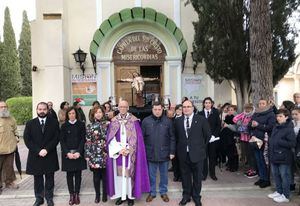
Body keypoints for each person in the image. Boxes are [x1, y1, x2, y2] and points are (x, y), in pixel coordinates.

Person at [106, 100, 150, 206]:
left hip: (130, 153)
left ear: (128, 108)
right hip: (118, 153)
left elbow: (138, 139)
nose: (122, 108)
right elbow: (110, 138)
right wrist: (119, 150)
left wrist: (129, 149)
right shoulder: (114, 121)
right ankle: (122, 196)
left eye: (125, 107)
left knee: (129, 175)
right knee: (120, 176)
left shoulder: (134, 121)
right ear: (118, 108)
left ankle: (130, 196)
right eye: (121, 107)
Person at [174, 100, 211, 206]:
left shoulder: (201, 119)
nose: (186, 108)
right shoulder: (178, 121)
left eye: (188, 106)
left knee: (197, 177)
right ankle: (186, 196)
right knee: (185, 176)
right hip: (183, 154)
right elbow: (176, 137)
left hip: (198, 154)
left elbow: (207, 135)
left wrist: (200, 147)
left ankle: (196, 197)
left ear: (193, 108)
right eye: (184, 107)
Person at [23, 102, 60, 206]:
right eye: (40, 109)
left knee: (49, 178)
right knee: (38, 178)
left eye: (44, 109)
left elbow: (56, 138)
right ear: (36, 110)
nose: (42, 111)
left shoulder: (54, 122)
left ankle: (49, 198)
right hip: (36, 155)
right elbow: (27, 140)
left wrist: (46, 149)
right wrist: (38, 150)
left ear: (47, 110)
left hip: (50, 154)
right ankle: (39, 198)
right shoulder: (30, 123)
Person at [142, 102, 176, 203]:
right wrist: (143, 152)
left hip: (164, 153)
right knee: (151, 175)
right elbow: (142, 138)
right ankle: (152, 192)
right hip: (150, 152)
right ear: (152, 110)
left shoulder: (168, 121)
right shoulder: (146, 121)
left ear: (162, 110)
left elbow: (172, 137)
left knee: (164, 174)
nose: (157, 111)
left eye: (159, 109)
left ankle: (163, 192)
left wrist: (172, 151)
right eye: (155, 109)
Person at [267, 109, 296, 203]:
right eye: (277, 116)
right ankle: (279, 191)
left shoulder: (289, 128)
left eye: (280, 116)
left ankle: (286, 195)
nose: (278, 118)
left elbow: (292, 143)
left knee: (285, 176)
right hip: (274, 155)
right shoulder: (276, 126)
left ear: (286, 117)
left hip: (284, 156)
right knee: (276, 175)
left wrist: (278, 141)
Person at [60, 107, 87, 205]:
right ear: (67, 115)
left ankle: (77, 194)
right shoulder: (64, 126)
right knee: (69, 175)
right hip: (68, 155)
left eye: (73, 113)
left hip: (78, 154)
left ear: (76, 114)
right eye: (70, 113)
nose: (72, 115)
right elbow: (62, 141)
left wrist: (79, 152)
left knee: (78, 175)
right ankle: (71, 194)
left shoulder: (81, 125)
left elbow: (83, 139)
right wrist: (67, 153)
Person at [249, 99, 276, 188]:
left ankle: (266, 180)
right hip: (255, 139)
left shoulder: (271, 114)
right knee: (258, 160)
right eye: (260, 103)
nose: (261, 105)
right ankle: (262, 177)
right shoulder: (255, 113)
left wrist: (258, 125)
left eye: (263, 103)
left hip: (264, 140)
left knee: (264, 160)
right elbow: (249, 125)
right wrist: (251, 125)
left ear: (267, 104)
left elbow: (271, 127)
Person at [85, 106, 109, 203]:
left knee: (105, 176)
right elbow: (88, 141)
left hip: (105, 153)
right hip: (94, 154)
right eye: (96, 112)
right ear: (93, 114)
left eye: (100, 112)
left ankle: (104, 194)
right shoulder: (89, 126)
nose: (98, 114)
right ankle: (97, 195)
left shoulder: (108, 124)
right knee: (96, 177)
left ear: (103, 113)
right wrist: (87, 155)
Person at [198, 97, 221, 181]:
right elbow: (199, 127)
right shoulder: (200, 114)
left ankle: (212, 174)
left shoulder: (215, 113)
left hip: (213, 139)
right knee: (204, 157)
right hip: (203, 139)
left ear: (211, 104)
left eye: (209, 103)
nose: (207, 104)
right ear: (204, 104)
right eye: (206, 103)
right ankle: (204, 174)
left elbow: (218, 125)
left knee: (212, 157)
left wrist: (213, 135)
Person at [233, 103, 257, 178]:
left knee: (252, 154)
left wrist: (248, 125)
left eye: (249, 108)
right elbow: (235, 118)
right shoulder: (243, 114)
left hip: (251, 138)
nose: (247, 110)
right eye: (246, 108)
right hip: (243, 137)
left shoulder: (254, 115)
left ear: (252, 109)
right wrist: (239, 123)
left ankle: (254, 169)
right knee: (247, 154)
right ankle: (250, 168)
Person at [0, 101, 19, 194]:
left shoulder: (11, 118)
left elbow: (15, 130)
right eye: (1, 107)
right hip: (0, 149)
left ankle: (9, 182)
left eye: (5, 106)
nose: (3, 108)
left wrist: (17, 137)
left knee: (9, 167)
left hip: (10, 148)